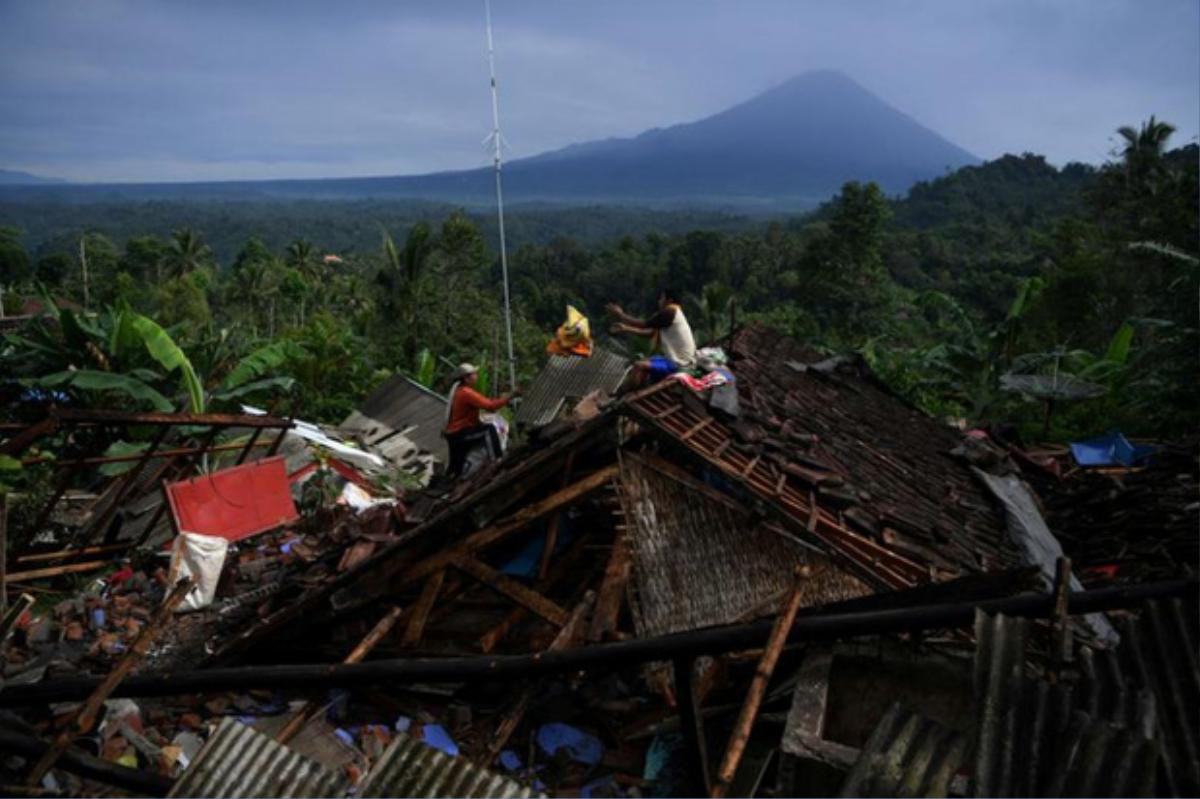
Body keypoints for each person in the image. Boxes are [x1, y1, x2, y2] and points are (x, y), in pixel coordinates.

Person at [606, 288, 697, 382]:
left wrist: (621, 315)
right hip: (676, 360)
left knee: (639, 366)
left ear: (669, 300)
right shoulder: (673, 313)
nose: (659, 301)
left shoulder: (670, 312)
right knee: (646, 361)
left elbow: (644, 324)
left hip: (679, 363)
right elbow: (650, 333)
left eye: (661, 298)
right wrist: (626, 328)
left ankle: (630, 394)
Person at [443, 363, 515, 479]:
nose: (476, 376)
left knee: (455, 466)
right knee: (489, 430)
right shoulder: (466, 393)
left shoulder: (459, 391)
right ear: (466, 378)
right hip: (460, 433)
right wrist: (510, 397)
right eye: (474, 374)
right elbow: (490, 406)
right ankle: (497, 460)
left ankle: (449, 481)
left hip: (453, 434)